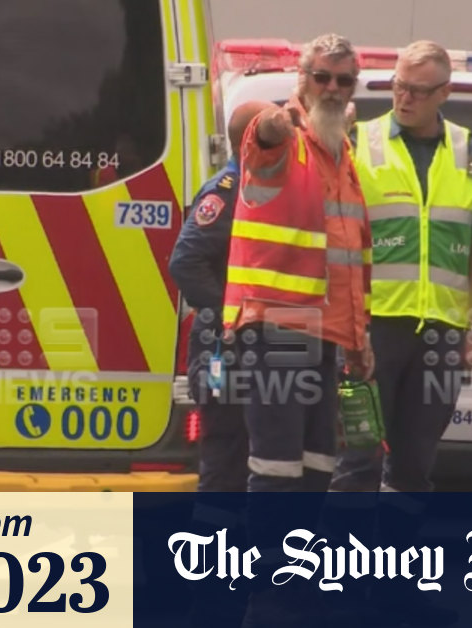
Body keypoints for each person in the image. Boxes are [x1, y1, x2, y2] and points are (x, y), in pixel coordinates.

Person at [222, 33, 376, 628]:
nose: (333, 89)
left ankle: (297, 596)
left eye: (344, 80)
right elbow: (257, 135)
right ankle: (265, 604)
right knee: (277, 470)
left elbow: (351, 258)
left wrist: (358, 339)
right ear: (303, 81)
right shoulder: (289, 140)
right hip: (278, 329)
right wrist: (272, 124)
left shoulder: (344, 159)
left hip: (328, 337)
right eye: (323, 78)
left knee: (316, 471)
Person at [331, 39, 472, 497]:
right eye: (398, 87)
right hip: (373, 329)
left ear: (444, 93)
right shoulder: (358, 143)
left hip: (441, 333)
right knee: (358, 460)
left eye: (417, 90)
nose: (404, 98)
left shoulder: (470, 152)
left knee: (414, 468)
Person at [169, 101, 271, 494]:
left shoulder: (255, 191)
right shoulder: (227, 193)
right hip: (224, 347)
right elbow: (185, 262)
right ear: (252, 142)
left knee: (248, 457)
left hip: (248, 344)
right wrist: (227, 314)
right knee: (225, 458)